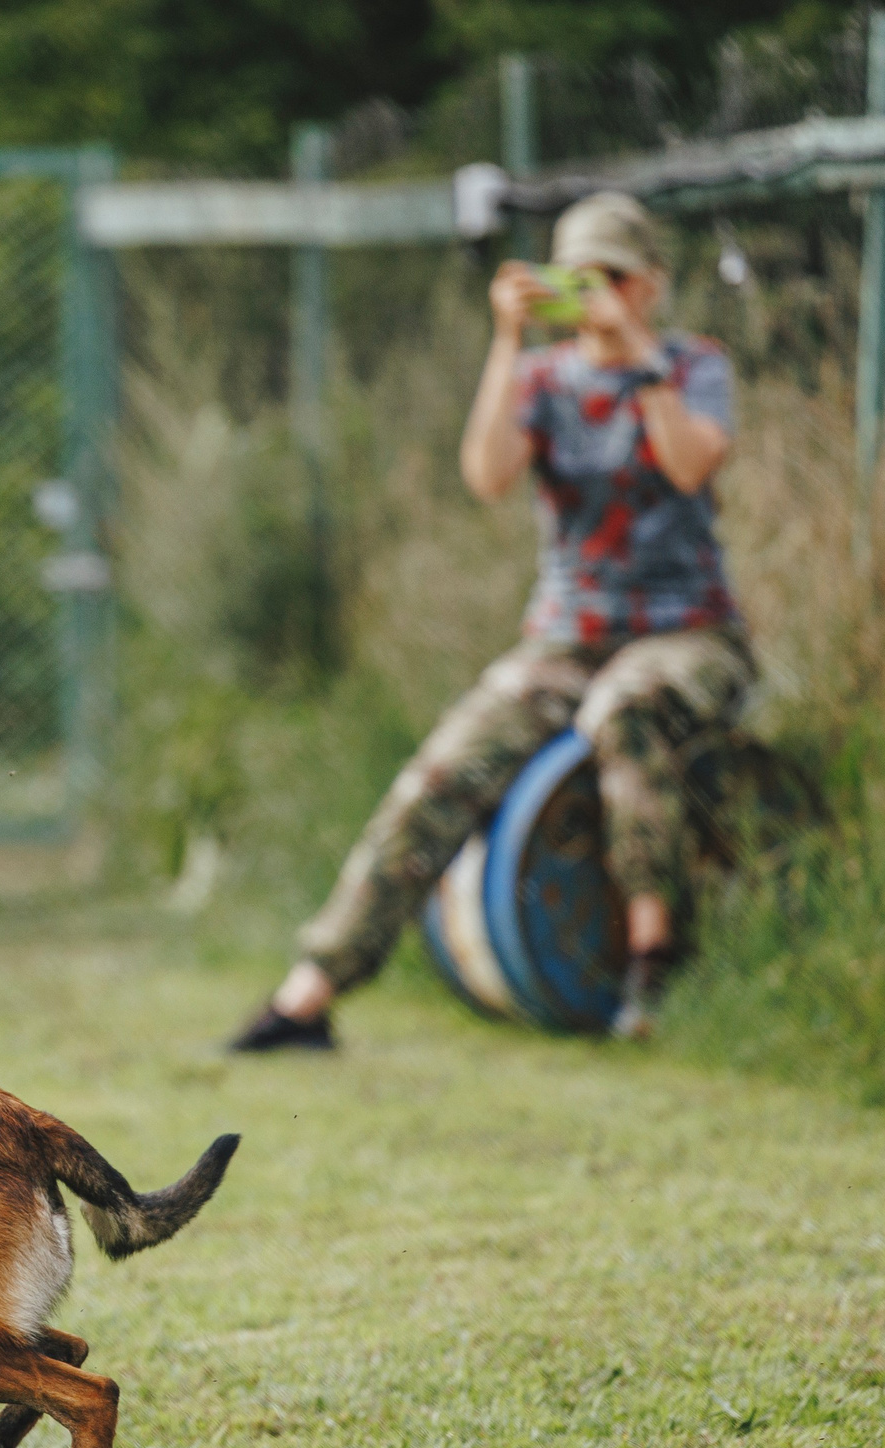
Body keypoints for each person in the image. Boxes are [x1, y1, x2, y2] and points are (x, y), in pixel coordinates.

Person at [232, 191, 744, 1052]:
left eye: (614, 277)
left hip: (687, 633)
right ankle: (309, 994)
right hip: (565, 638)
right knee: (442, 769)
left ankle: (653, 957)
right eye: (578, 277)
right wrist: (508, 340)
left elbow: (691, 467)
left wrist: (638, 359)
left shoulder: (695, 366)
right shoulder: (544, 379)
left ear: (652, 283)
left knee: (624, 708)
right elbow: (488, 473)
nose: (596, 294)